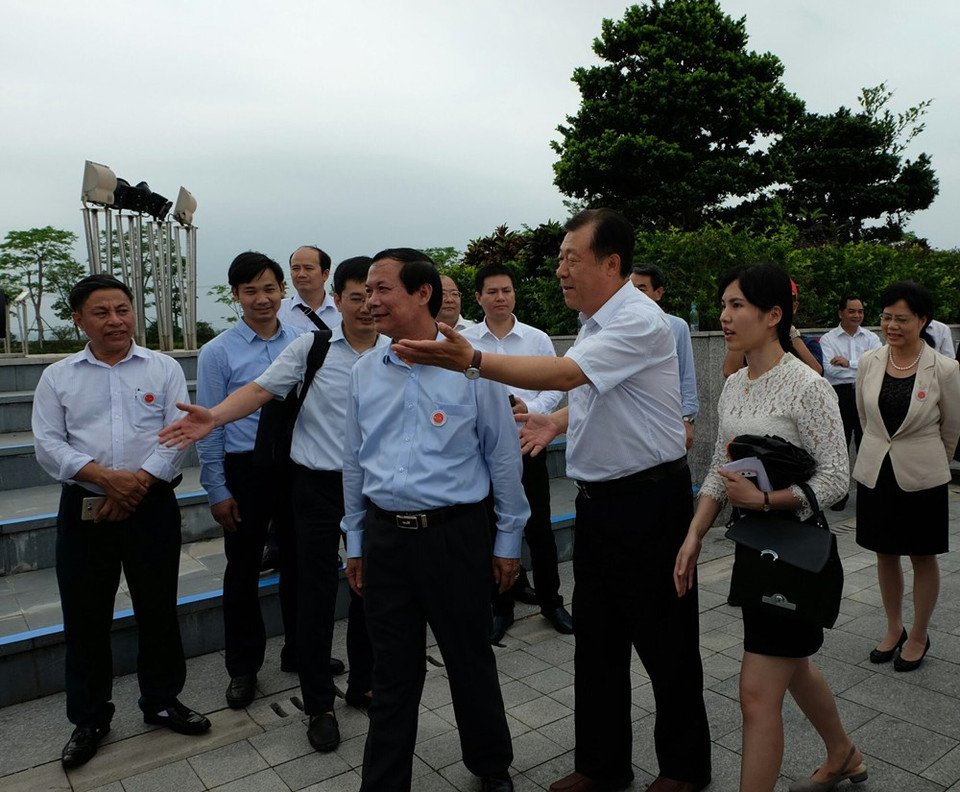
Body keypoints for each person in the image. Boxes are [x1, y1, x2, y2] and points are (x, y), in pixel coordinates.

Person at [394, 209, 711, 792]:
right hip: (599, 504)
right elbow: (601, 395)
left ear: (610, 264)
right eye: (560, 258)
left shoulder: (640, 319)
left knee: (666, 641)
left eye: (571, 258)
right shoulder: (594, 322)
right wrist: (556, 423)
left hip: (647, 504)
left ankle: (684, 769)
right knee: (598, 642)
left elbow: (567, 375)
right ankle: (602, 766)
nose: (560, 269)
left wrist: (474, 361)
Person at [162, 257, 383, 752]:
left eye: (375, 295)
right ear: (338, 300)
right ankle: (319, 704)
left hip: (374, 489)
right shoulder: (312, 347)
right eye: (357, 296)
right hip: (315, 485)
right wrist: (213, 418)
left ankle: (365, 682)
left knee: (370, 588)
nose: (368, 305)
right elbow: (259, 390)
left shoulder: (396, 350)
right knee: (314, 594)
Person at [342, 249, 529, 792]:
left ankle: (490, 765)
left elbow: (502, 456)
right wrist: (355, 541)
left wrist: (508, 540)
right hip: (385, 539)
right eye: (367, 291)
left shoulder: (473, 367)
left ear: (422, 293)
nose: (370, 301)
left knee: (469, 658)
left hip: (455, 536)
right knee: (392, 671)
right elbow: (354, 461)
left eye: (382, 289)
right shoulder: (364, 372)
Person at [674, 263, 862, 792]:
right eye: (724, 305)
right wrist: (694, 534)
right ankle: (843, 753)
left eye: (737, 305)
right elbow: (720, 467)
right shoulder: (734, 384)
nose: (724, 316)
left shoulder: (808, 386)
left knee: (757, 693)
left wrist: (765, 500)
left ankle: (841, 755)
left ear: (773, 315)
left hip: (795, 552)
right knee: (792, 664)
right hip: (755, 548)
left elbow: (835, 479)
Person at [32, 274, 210, 770]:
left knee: (158, 606)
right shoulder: (58, 376)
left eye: (123, 309)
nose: (115, 320)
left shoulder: (162, 367)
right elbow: (48, 443)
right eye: (102, 312)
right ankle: (89, 718)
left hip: (151, 505)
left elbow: (178, 434)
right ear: (78, 320)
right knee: (86, 616)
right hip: (85, 509)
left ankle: (162, 700)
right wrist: (107, 480)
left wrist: (136, 486)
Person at [196, 252, 302, 709]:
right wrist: (217, 488)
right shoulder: (217, 351)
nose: (262, 298)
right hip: (244, 471)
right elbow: (208, 424)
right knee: (242, 571)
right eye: (251, 290)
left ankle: (300, 651)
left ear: (283, 291)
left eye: (269, 288)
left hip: (296, 468)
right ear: (236, 295)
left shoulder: (304, 342)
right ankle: (243, 667)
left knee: (300, 565)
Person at [462, 263, 573, 642]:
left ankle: (552, 602)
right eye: (492, 291)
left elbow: (556, 384)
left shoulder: (536, 339)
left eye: (506, 290)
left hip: (528, 442)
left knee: (539, 527)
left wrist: (531, 409)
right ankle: (501, 607)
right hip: (481, 451)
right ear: (478, 297)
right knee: (491, 528)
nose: (500, 298)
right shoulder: (465, 341)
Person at [853, 281, 960, 673]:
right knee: (885, 553)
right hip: (877, 471)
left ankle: (919, 633)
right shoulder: (869, 361)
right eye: (886, 318)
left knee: (922, 555)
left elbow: (952, 428)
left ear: (922, 320)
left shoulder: (945, 369)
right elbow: (865, 418)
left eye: (902, 319)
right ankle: (894, 627)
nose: (892, 326)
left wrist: (932, 464)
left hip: (922, 476)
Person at [819, 295, 882, 510]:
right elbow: (830, 371)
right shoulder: (828, 339)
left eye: (860, 311)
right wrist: (862, 365)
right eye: (852, 311)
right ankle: (839, 495)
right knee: (840, 446)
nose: (857, 315)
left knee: (868, 445)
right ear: (841, 313)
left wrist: (849, 363)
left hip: (867, 394)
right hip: (841, 396)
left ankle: (868, 495)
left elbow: (878, 365)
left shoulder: (871, 337)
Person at [630, 264, 699, 448]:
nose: (633, 295)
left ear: (658, 293)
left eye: (641, 289)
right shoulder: (617, 329)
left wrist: (687, 420)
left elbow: (686, 376)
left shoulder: (677, 327)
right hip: (630, 428)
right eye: (629, 289)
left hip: (667, 425)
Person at [722, 278, 822, 378]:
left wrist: (793, 334)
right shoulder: (753, 343)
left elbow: (816, 373)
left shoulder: (808, 343)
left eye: (783, 301)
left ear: (794, 307)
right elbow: (730, 372)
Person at [277, 245, 342, 331]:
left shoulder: (342, 310)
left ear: (325, 274)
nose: (301, 274)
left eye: (308, 268)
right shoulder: (278, 310)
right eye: (295, 268)